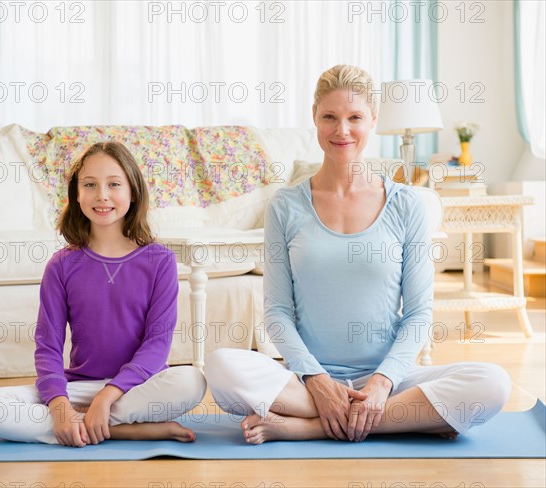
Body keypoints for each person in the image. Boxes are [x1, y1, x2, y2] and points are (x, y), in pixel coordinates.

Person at [204, 65, 511, 444]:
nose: (342, 130)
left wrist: (383, 383)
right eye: (329, 117)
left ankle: (311, 427)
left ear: (373, 121)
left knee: (492, 384)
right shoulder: (285, 206)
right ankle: (403, 420)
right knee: (220, 367)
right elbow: (278, 313)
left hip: (389, 383)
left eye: (355, 118)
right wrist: (317, 380)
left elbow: (418, 314)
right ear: (314, 118)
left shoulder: (407, 205)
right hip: (306, 381)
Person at [0, 141, 206, 446]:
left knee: (191, 382)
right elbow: (47, 347)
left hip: (139, 386)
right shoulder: (62, 265)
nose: (102, 195)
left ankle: (88, 422)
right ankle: (121, 429)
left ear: (132, 192)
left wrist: (108, 397)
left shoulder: (158, 261)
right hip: (79, 387)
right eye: (90, 185)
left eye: (114, 184)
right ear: (77, 195)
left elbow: (157, 343)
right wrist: (59, 406)